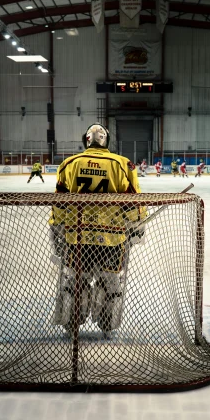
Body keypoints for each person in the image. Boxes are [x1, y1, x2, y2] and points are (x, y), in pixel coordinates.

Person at [50, 123, 145, 335]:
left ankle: (72, 321)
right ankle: (107, 324)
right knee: (111, 283)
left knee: (76, 280)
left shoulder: (69, 164)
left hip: (77, 238)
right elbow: (133, 203)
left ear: (86, 140)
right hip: (112, 240)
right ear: (107, 141)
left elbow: (59, 204)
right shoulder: (123, 164)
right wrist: (137, 227)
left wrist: (57, 231)